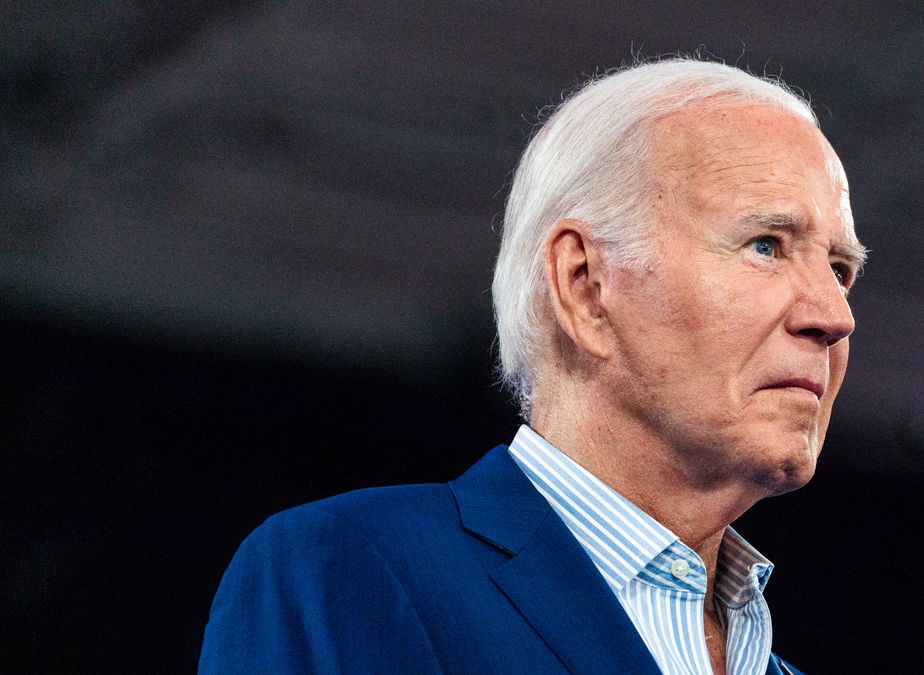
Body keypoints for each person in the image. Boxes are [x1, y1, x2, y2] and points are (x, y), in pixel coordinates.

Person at [199, 57, 865, 675]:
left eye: (840, 269)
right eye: (766, 245)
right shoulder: (349, 572)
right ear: (585, 285)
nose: (835, 315)